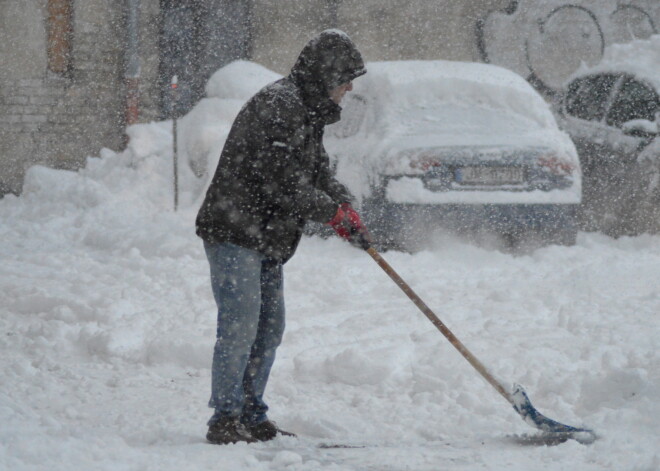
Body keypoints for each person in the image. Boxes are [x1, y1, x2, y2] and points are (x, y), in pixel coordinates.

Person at [195, 29, 370, 445]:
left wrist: (347, 209)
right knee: (240, 326)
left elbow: (318, 172)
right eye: (345, 79)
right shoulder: (279, 107)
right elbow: (284, 183)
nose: (348, 88)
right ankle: (225, 418)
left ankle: (252, 414)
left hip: (267, 236)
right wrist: (332, 215)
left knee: (269, 328)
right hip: (236, 230)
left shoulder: (306, 111)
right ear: (325, 76)